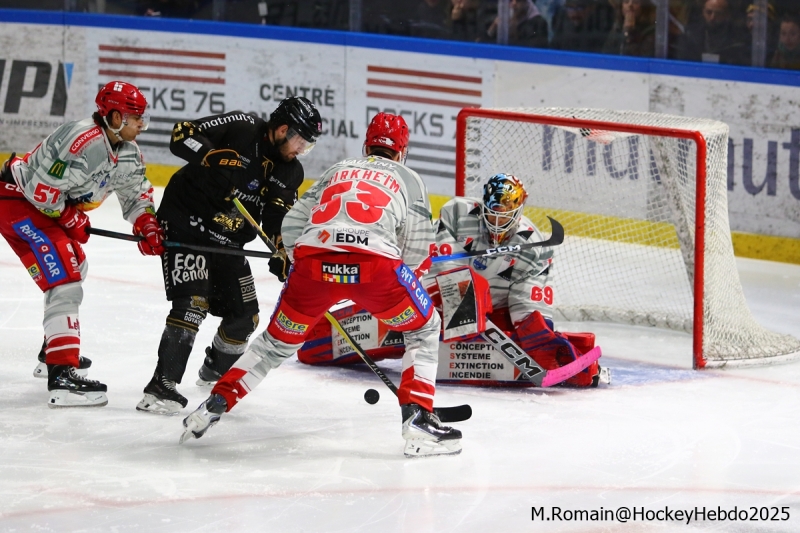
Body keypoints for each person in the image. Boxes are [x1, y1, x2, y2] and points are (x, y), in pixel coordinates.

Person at [179, 112, 463, 457]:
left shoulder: (339, 169)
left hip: (313, 268)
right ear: (402, 151)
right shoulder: (411, 179)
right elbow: (417, 250)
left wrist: (305, 265)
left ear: (366, 145)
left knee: (273, 345)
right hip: (375, 268)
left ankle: (215, 403)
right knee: (424, 327)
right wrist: (393, 279)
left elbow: (294, 222)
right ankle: (418, 417)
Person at [295, 173, 605, 387]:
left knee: (541, 341)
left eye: (504, 216)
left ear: (520, 210)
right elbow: (440, 272)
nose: (497, 222)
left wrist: (538, 334)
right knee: (468, 290)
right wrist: (470, 300)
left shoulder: (534, 246)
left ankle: (578, 362)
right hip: (431, 304)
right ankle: (317, 339)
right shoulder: (457, 213)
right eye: (492, 214)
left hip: (486, 319)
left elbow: (524, 301)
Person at [135, 96, 322, 415]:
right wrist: (210, 156)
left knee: (244, 316)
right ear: (282, 129)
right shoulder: (242, 126)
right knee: (192, 303)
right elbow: (182, 133)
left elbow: (278, 216)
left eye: (306, 145)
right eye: (299, 141)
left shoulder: (291, 171)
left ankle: (214, 372)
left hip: (228, 238)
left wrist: (282, 246)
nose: (300, 150)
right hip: (186, 225)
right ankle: (160, 387)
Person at [0, 80, 161, 408]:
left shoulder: (128, 152)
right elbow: (41, 190)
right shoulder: (80, 138)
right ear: (115, 117)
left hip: (37, 209)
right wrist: (71, 218)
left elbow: (136, 195)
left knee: (75, 266)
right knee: (66, 277)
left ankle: (53, 350)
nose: (140, 124)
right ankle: (62, 376)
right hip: (19, 202)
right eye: (135, 117)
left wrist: (147, 225)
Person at [675, 0, 750, 65]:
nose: (712, 18)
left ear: (727, 15)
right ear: (703, 11)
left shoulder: (739, 40)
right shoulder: (690, 35)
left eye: (718, 13)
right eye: (708, 12)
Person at [550, 0, 616, 53]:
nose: (574, 13)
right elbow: (553, 48)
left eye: (580, 8)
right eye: (570, 8)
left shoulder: (601, 24)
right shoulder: (562, 21)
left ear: (591, 8)